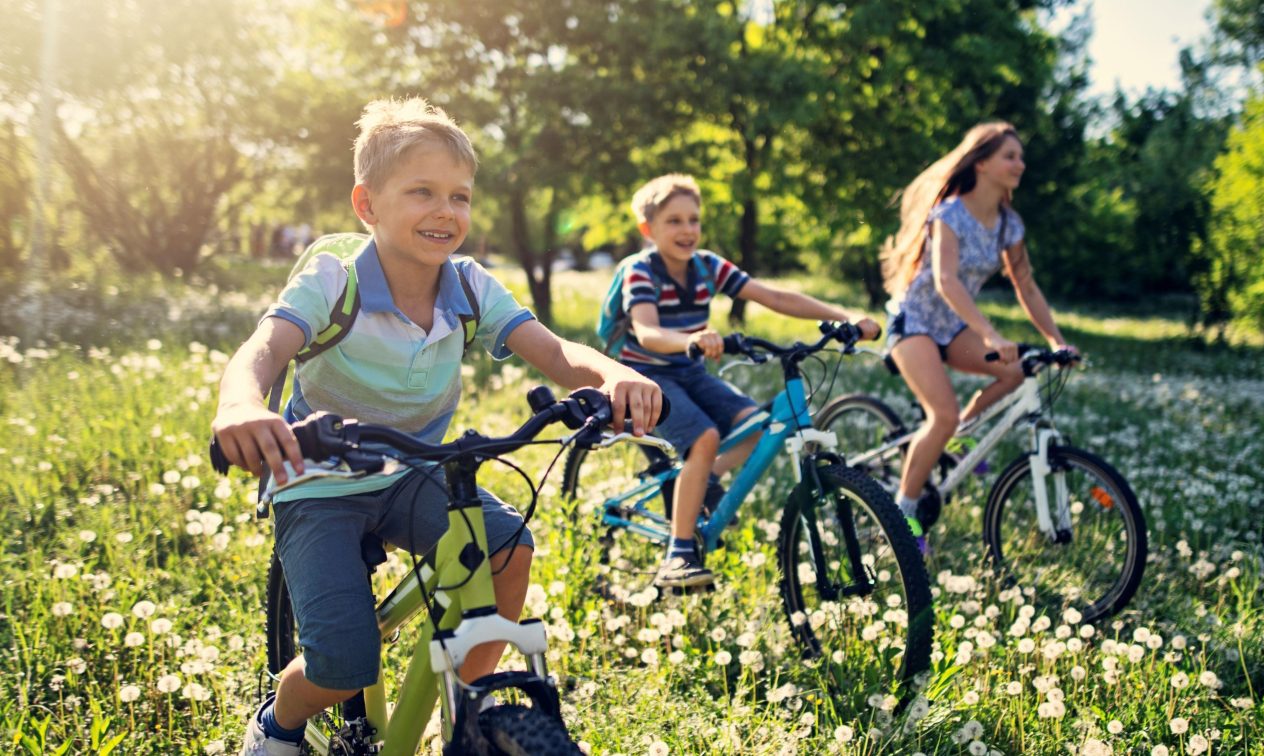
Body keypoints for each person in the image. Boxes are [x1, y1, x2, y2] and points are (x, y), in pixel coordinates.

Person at [212, 97, 662, 756]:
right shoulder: (333, 278)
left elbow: (558, 352)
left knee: (508, 549)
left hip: (414, 468)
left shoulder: (472, 286)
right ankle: (275, 728)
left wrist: (611, 376)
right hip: (315, 477)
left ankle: (466, 719)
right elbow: (265, 349)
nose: (446, 211)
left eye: (460, 196)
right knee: (342, 665)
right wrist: (240, 406)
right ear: (367, 205)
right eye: (421, 192)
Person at [619, 174, 881, 589]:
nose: (687, 230)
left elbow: (772, 296)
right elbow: (648, 333)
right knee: (704, 437)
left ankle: (702, 479)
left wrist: (841, 317)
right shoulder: (640, 272)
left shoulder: (706, 265)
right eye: (674, 221)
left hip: (689, 370)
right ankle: (679, 553)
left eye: (693, 220)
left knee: (758, 426)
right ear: (648, 230)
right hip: (645, 374)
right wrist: (690, 340)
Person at [878, 121, 1077, 554]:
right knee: (942, 413)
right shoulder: (949, 214)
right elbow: (946, 281)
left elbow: (1026, 286)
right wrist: (989, 333)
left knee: (1015, 373)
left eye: (1021, 157)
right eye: (1010, 156)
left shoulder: (1009, 224)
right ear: (982, 162)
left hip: (952, 328)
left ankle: (958, 441)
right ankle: (903, 516)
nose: (1019, 164)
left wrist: (1056, 340)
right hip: (915, 323)